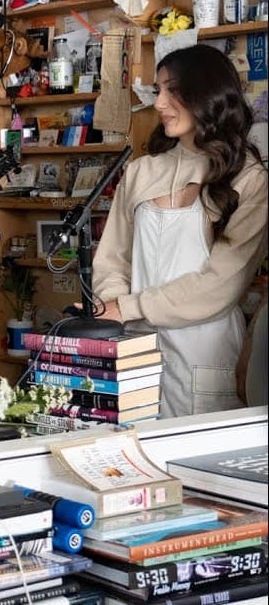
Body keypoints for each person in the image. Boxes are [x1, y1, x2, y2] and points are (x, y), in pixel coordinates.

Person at [93, 45, 268, 418]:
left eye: (171, 90)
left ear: (205, 94)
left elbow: (222, 283)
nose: (159, 103)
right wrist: (114, 316)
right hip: (133, 347)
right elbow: (112, 258)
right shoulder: (141, 171)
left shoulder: (248, 178)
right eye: (158, 90)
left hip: (206, 350)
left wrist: (127, 307)